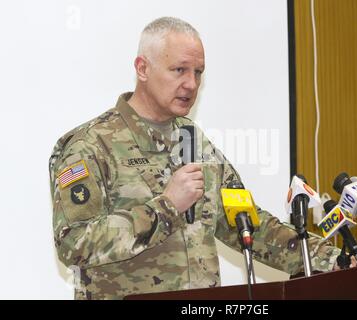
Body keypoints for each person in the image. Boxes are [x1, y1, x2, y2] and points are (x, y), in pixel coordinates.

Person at [49, 17, 341, 300]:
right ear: (142, 69)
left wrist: (333, 261)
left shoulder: (194, 140)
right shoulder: (90, 145)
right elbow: (75, 244)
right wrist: (166, 207)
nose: (191, 84)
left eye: (198, 72)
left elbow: (248, 223)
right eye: (179, 70)